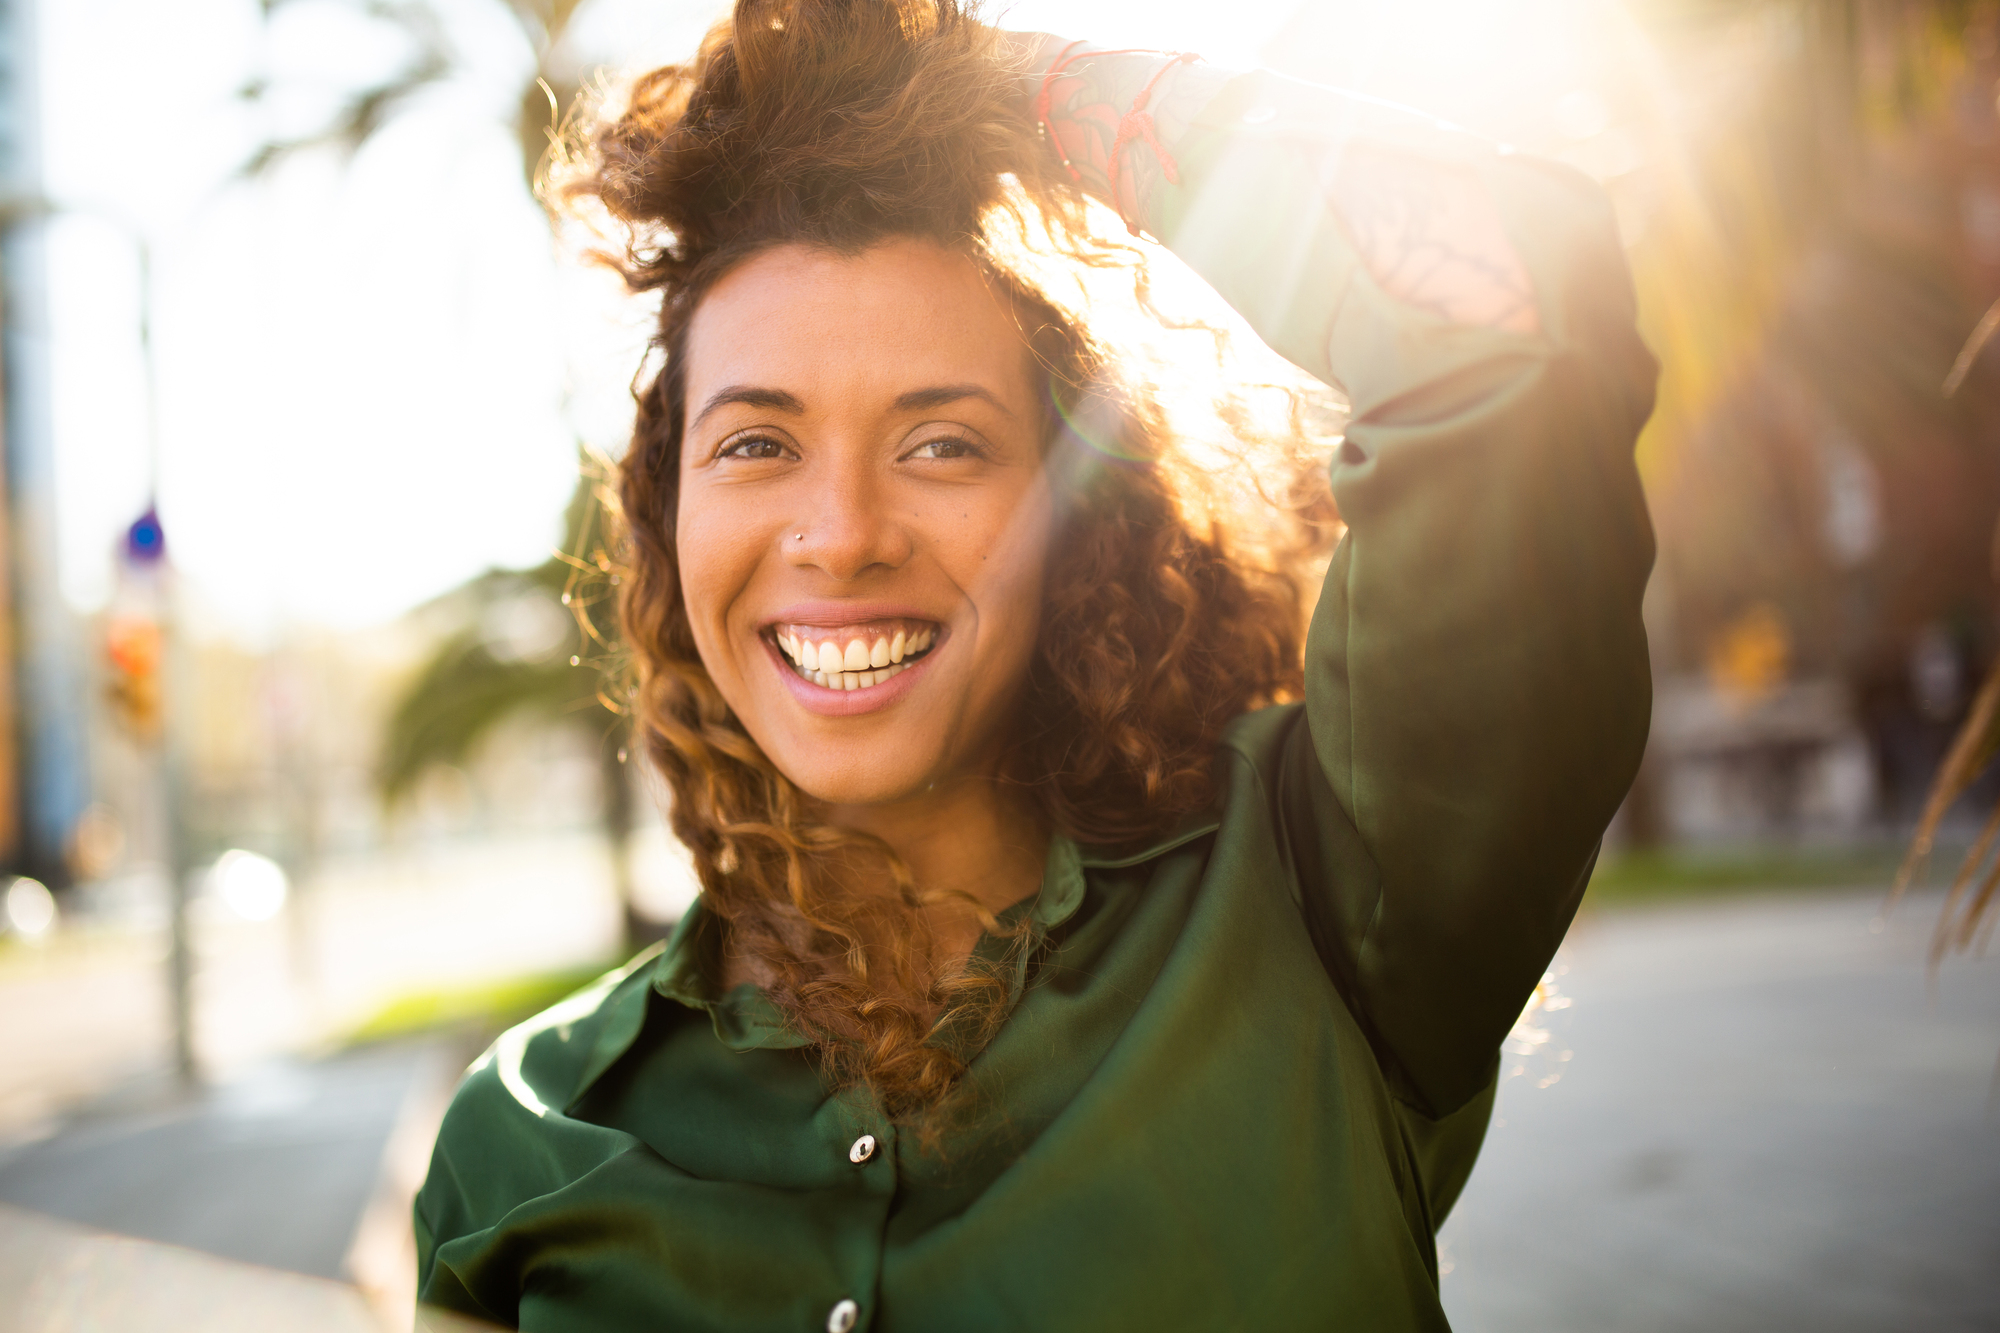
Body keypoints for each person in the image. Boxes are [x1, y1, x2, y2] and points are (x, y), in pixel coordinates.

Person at [412, 2, 1656, 1328]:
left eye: (942, 443)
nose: (840, 536)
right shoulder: (514, 1144)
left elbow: (1503, 321)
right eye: (756, 445)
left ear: (1079, 516)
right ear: (668, 517)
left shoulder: (1327, 898)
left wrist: (981, 85)